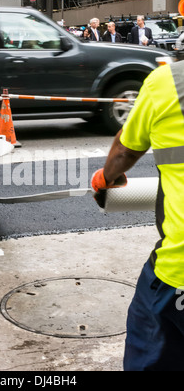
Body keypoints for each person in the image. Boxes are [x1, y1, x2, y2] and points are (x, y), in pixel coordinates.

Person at [91, 58, 184, 371]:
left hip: (179, 272)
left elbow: (126, 150)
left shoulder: (168, 81)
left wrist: (106, 178)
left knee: (150, 348)